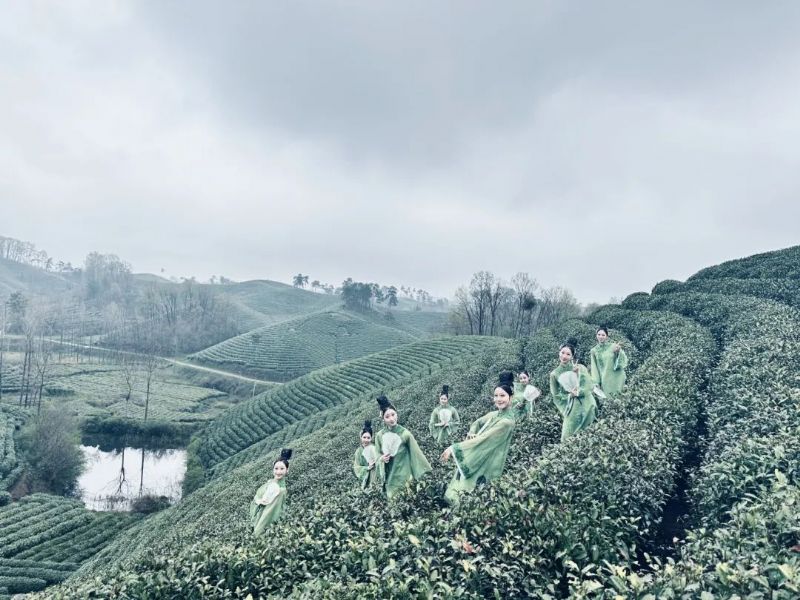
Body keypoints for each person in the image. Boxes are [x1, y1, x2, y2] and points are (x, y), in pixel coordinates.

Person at [441, 372, 517, 505]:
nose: (498, 399)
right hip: (481, 453)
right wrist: (472, 432)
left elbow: (483, 439)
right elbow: (477, 423)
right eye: (496, 395)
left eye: (503, 396)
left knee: (475, 494)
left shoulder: (507, 422)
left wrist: (453, 448)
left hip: (489, 459)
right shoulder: (494, 414)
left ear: (511, 397)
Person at [374, 394, 432, 500]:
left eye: (393, 414)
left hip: (405, 474)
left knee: (406, 500)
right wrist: (381, 459)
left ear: (397, 414)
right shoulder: (379, 436)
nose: (391, 419)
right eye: (387, 416)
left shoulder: (405, 434)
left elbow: (417, 454)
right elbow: (377, 455)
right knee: (393, 501)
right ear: (383, 419)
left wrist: (425, 473)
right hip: (390, 476)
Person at [549, 339, 596, 442]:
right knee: (568, 437)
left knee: (589, 434)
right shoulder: (554, 374)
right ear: (559, 352)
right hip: (571, 406)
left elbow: (589, 384)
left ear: (572, 356)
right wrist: (569, 396)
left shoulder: (580, 367)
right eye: (562, 353)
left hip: (587, 403)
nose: (564, 356)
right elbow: (556, 396)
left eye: (568, 354)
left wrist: (579, 374)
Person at [250, 448, 292, 535]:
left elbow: (268, 514)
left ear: (287, 470)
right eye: (276, 468)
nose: (278, 472)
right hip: (259, 518)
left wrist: (257, 533)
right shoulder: (271, 482)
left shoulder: (279, 491)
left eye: (282, 469)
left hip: (262, 525)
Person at [590, 326, 628, 398]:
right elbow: (594, 367)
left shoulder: (613, 346)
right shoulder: (594, 351)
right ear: (596, 335)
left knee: (621, 398)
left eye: (603, 335)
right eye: (599, 334)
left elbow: (622, 360)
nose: (601, 337)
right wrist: (596, 382)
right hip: (605, 379)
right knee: (609, 399)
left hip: (617, 377)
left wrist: (618, 352)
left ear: (607, 336)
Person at [353, 420, 378, 490]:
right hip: (365, 480)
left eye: (368, 438)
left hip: (375, 478)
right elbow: (356, 467)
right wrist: (367, 468)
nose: (366, 440)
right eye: (364, 437)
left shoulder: (375, 449)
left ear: (371, 438)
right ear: (361, 437)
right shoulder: (358, 451)